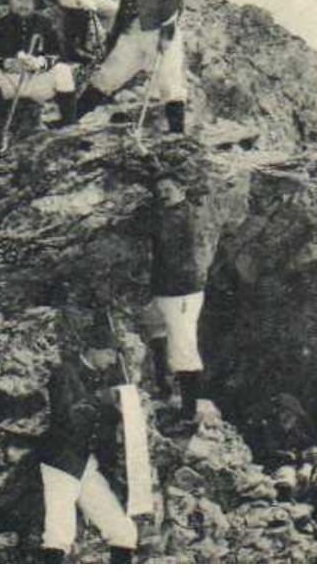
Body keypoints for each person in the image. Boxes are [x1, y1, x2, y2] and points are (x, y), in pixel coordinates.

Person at [74, 0, 188, 134]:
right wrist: (113, 39)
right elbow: (124, 11)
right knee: (108, 75)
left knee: (169, 83)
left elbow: (174, 3)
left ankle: (177, 135)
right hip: (134, 33)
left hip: (160, 31)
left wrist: (167, 34)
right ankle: (71, 120)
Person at [38, 329, 140, 563]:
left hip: (85, 463)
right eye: (108, 354)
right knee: (59, 534)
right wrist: (104, 398)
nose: (112, 361)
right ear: (93, 351)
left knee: (122, 530)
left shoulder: (99, 375)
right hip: (61, 462)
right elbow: (66, 415)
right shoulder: (65, 372)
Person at [140, 154, 215, 429]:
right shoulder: (176, 208)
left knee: (183, 348)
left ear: (182, 191)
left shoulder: (181, 216)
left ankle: (189, 411)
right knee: (157, 332)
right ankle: (165, 390)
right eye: (159, 192)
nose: (162, 195)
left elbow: (158, 229)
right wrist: (153, 167)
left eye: (168, 191)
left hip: (181, 291)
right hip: (165, 289)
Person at [0, 0, 79, 126]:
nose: (24, 5)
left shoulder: (45, 23)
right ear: (10, 2)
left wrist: (41, 63)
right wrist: (7, 63)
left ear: (35, 4)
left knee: (63, 70)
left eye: (28, 1)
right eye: (19, 0)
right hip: (11, 80)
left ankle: (69, 122)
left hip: (37, 80)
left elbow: (58, 55)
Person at [252, 393, 317, 505]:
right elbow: (268, 454)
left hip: (302, 471)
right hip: (277, 471)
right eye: (284, 413)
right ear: (276, 413)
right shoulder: (266, 429)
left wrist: (312, 460)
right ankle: (285, 504)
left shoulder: (298, 430)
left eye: (292, 415)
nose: (288, 418)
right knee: (286, 474)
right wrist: (300, 456)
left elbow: (314, 446)